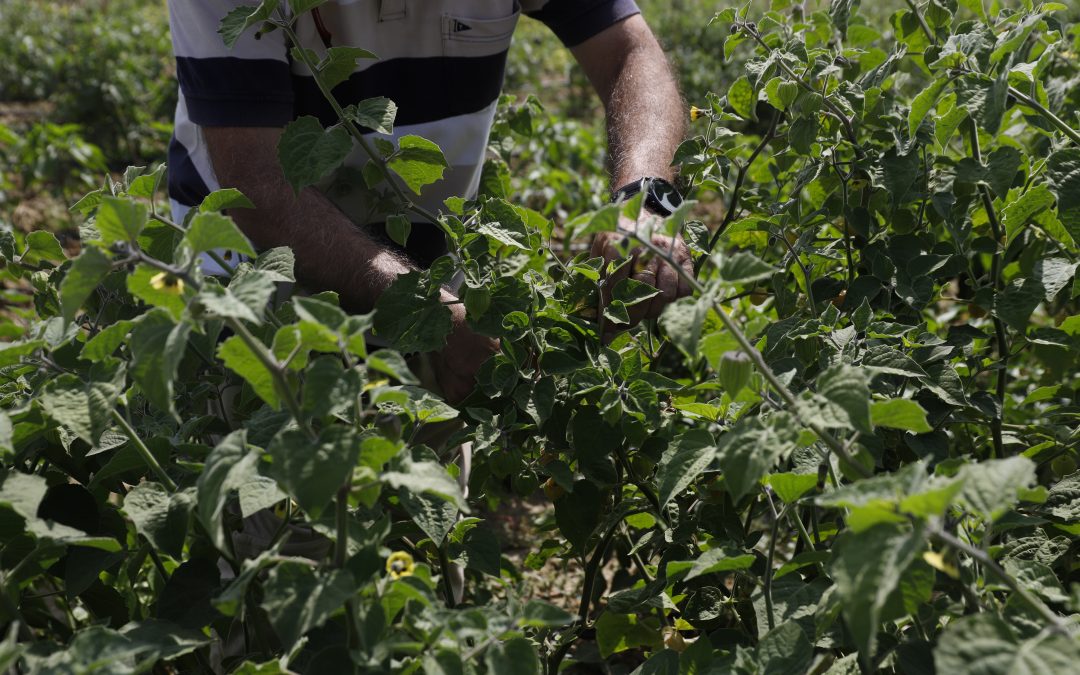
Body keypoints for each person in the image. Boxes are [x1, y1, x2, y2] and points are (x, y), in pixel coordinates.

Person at [166, 0, 692, 404]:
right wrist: (430, 314)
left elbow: (629, 51)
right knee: (284, 528)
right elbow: (258, 188)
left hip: (434, 283)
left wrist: (642, 201)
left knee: (424, 525)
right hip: (257, 307)